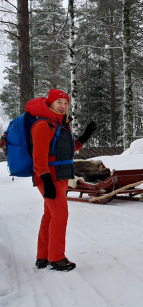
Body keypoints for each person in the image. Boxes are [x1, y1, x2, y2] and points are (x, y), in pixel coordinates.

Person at [27, 89, 97, 271]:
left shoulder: (59, 125)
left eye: (66, 103)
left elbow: (64, 150)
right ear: (49, 104)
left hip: (61, 175)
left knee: (50, 215)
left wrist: (83, 138)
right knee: (60, 215)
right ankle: (56, 258)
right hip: (50, 177)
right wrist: (45, 180)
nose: (63, 106)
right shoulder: (43, 125)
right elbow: (39, 156)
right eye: (59, 102)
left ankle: (43, 256)